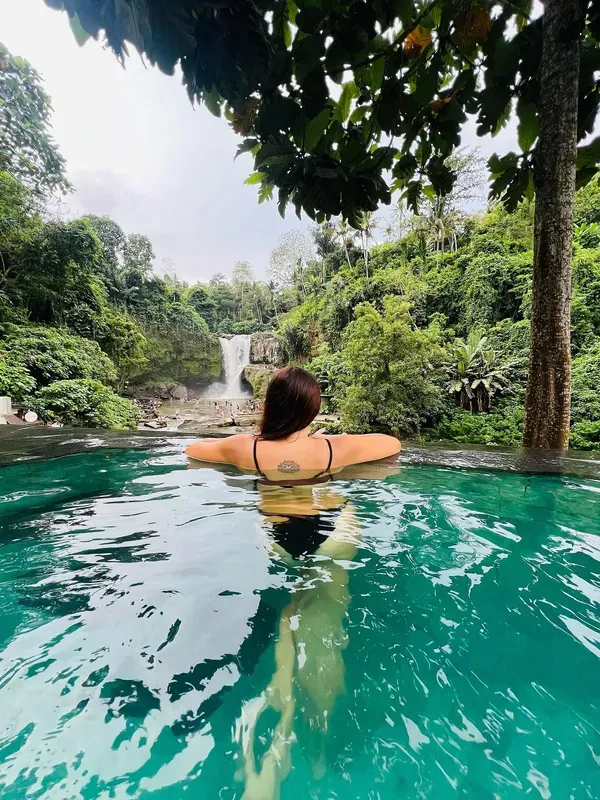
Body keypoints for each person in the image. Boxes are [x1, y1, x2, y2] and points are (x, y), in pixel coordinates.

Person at [184, 365, 401, 480]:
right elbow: (392, 444)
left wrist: (239, 439)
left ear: (270, 404)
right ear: (313, 409)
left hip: (272, 530)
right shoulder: (335, 448)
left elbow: (192, 449)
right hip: (324, 525)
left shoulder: (242, 447)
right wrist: (330, 440)